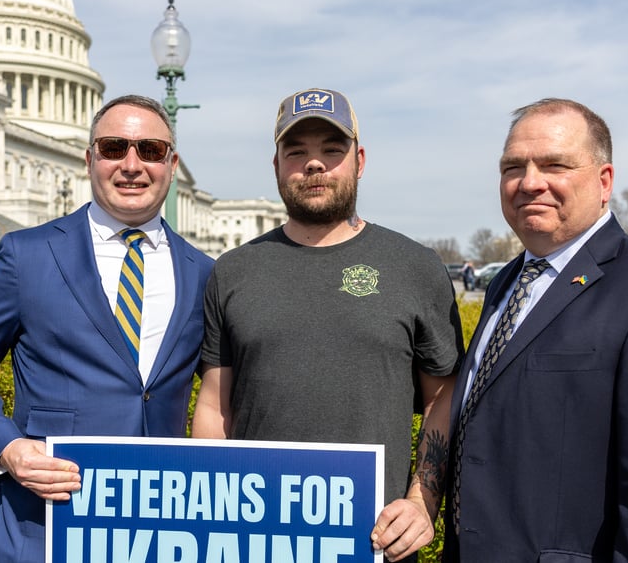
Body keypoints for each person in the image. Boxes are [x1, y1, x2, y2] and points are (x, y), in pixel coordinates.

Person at [442, 99, 628, 561]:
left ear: (604, 182)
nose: (529, 182)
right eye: (513, 167)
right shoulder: (506, 282)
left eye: (555, 164)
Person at [0, 94, 214, 562]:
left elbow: (228, 393)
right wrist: (8, 448)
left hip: (160, 534)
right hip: (43, 526)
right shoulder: (28, 255)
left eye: (149, 150)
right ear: (89, 160)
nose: (131, 165)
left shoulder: (203, 271)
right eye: (113, 148)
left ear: (171, 163)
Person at [191, 87, 464, 562]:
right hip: (255, 541)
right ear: (276, 165)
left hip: (375, 543)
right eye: (296, 152)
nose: (313, 164)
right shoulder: (233, 271)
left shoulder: (415, 267)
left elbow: (443, 398)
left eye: (331, 150)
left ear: (359, 160)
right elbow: (215, 408)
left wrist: (423, 502)